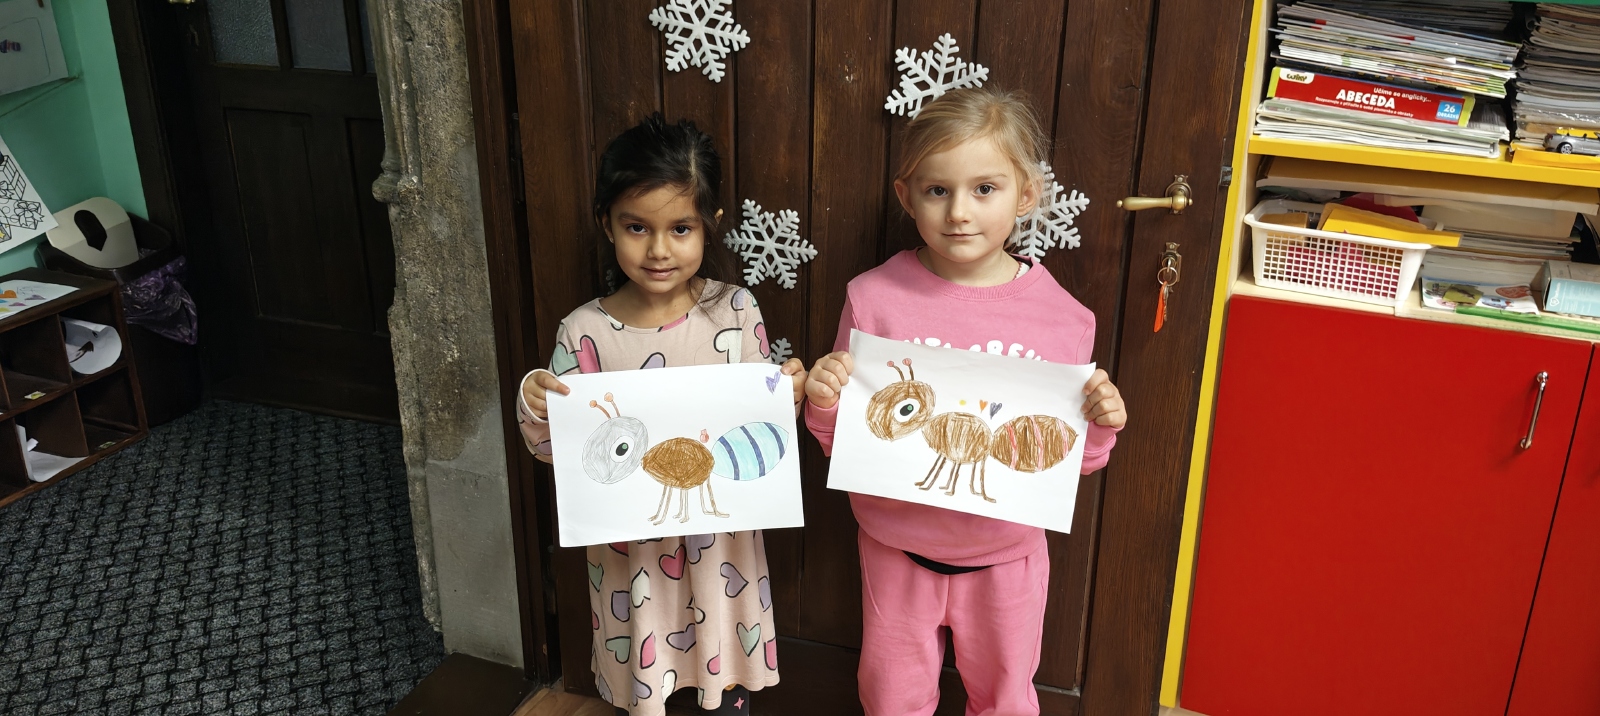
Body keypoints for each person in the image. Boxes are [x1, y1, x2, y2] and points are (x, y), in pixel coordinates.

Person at [802, 87, 1128, 716]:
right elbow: (844, 441)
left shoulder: (1063, 318)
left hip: (1007, 557)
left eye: (984, 189)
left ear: (1025, 194)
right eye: (937, 190)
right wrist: (823, 402)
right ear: (907, 196)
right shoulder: (873, 299)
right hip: (896, 547)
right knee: (892, 697)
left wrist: (1100, 426)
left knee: (1006, 699)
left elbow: (1072, 463)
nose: (959, 212)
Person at [517, 114, 806, 716]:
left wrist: (788, 395)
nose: (658, 249)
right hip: (633, 563)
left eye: (680, 228)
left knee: (722, 681)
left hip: (721, 552)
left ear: (709, 225)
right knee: (645, 684)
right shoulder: (585, 331)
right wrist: (538, 404)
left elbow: (761, 432)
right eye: (636, 227)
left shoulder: (736, 311)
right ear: (607, 223)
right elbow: (556, 452)